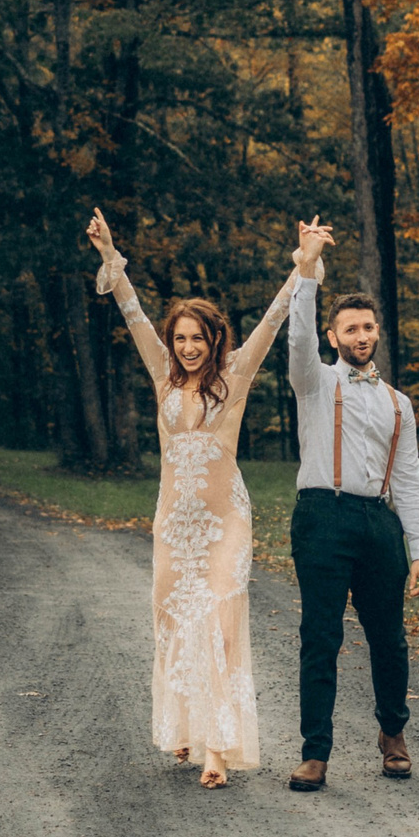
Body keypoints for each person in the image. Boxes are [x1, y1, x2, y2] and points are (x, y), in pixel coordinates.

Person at [86, 207, 305, 788]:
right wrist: (111, 256)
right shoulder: (161, 376)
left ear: (214, 340)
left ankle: (217, 749)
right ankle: (181, 727)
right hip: (173, 522)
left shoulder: (234, 377)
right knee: (173, 623)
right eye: (180, 338)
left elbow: (272, 320)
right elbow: (131, 313)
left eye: (197, 338)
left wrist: (301, 266)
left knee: (219, 627)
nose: (187, 348)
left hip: (223, 520)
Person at [281, 218, 419, 791]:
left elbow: (410, 480)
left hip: (378, 522)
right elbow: (297, 341)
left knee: (388, 636)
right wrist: (307, 268)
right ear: (334, 335)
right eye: (350, 329)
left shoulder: (399, 404)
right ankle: (315, 751)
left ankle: (393, 734)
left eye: (368, 327)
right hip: (322, 516)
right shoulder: (316, 382)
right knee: (321, 635)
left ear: (377, 332)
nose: (361, 336)